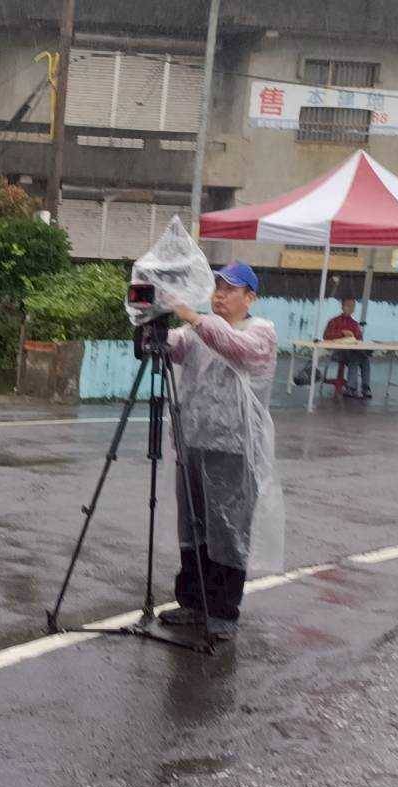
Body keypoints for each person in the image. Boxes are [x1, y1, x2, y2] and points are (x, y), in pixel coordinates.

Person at [159, 262, 285, 642]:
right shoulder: (199, 331)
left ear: (250, 297)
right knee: (193, 526)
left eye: (230, 289)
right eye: (217, 286)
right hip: (193, 441)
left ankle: (223, 611)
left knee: (228, 532)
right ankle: (193, 602)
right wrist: (153, 323)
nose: (219, 294)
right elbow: (175, 345)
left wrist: (193, 317)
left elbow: (234, 347)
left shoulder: (260, 332)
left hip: (233, 448)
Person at [293, 296, 372, 398]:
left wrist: (354, 339)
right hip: (336, 352)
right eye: (348, 306)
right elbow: (326, 336)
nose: (350, 308)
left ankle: (366, 388)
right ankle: (351, 388)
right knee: (355, 358)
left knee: (365, 359)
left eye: (353, 307)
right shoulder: (334, 321)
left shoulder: (354, 324)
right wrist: (342, 333)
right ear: (342, 307)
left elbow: (359, 340)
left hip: (351, 351)